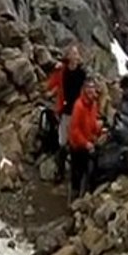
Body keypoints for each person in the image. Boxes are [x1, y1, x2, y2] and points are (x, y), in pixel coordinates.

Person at [46, 44, 86, 182]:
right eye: (73, 53)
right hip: (65, 112)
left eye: (77, 53)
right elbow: (50, 85)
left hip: (78, 112)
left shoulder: (82, 73)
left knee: (75, 143)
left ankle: (76, 175)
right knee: (62, 143)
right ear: (68, 56)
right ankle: (60, 172)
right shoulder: (62, 71)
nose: (76, 56)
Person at [67, 78, 103, 201]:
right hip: (78, 145)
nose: (93, 94)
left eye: (93, 90)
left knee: (90, 167)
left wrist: (99, 130)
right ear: (85, 91)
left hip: (88, 141)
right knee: (77, 170)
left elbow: (92, 123)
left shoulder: (93, 105)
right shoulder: (79, 106)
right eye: (90, 90)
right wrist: (85, 143)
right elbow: (75, 130)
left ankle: (87, 192)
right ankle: (74, 195)